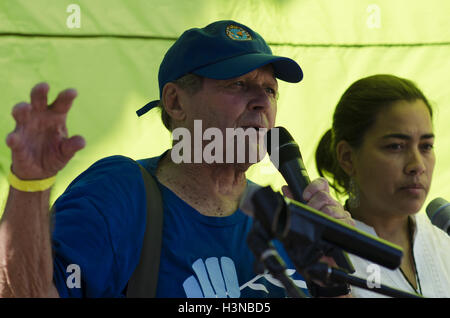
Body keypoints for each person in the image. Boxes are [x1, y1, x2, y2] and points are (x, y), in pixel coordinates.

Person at [0, 20, 353, 298]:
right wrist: (30, 184)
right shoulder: (120, 192)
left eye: (271, 90)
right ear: (175, 102)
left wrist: (330, 278)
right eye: (239, 85)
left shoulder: (281, 217)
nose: (262, 102)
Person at [315, 74, 450, 298]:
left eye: (426, 146)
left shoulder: (443, 239)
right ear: (347, 157)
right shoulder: (325, 254)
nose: (417, 165)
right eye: (396, 146)